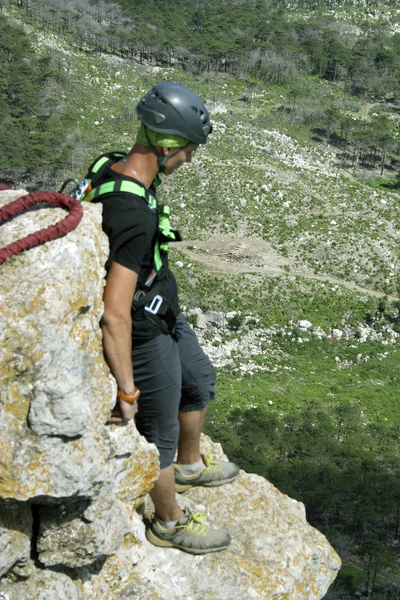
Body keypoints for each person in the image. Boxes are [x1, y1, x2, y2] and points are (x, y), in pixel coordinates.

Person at [93, 82, 239, 554]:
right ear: (167, 146)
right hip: (142, 329)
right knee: (159, 432)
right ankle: (169, 520)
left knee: (198, 379)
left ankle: (190, 466)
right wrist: (127, 390)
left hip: (164, 309)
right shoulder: (133, 214)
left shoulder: (112, 165)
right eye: (189, 152)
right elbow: (115, 312)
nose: (189, 161)